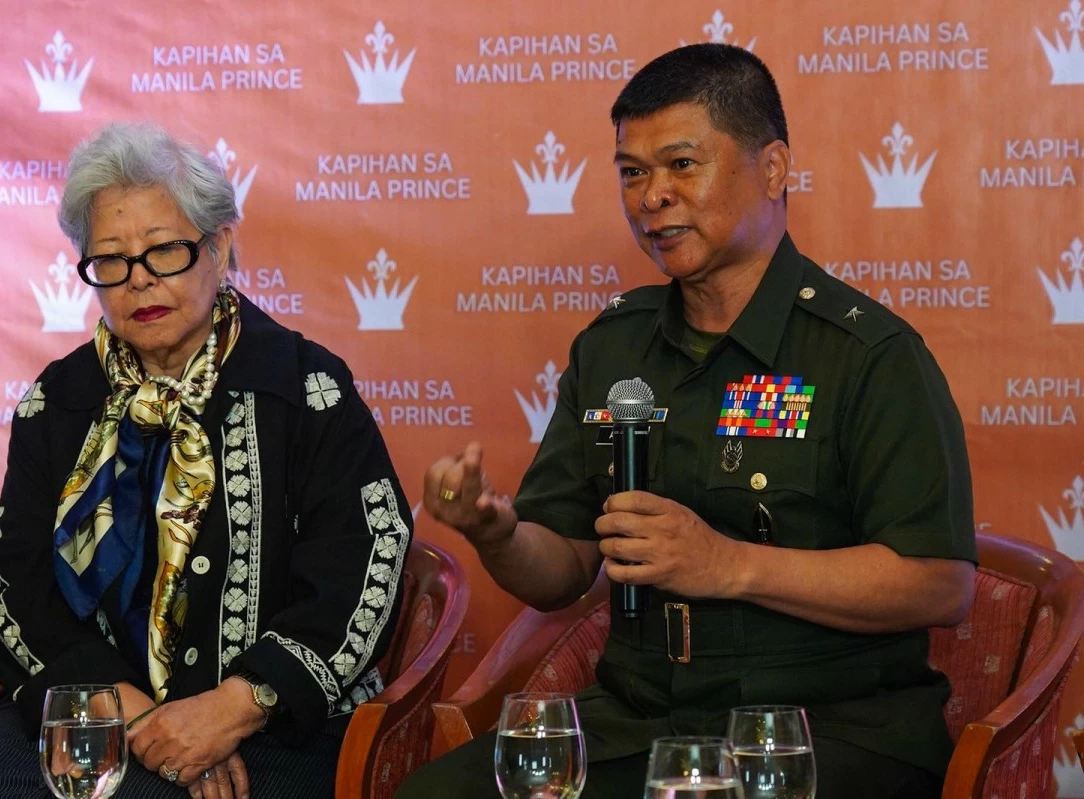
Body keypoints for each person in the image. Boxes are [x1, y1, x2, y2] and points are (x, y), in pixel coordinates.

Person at [398, 43, 976, 799]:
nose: (651, 197)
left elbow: (939, 583)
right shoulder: (613, 347)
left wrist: (726, 563)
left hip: (823, 729)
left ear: (772, 169)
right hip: (641, 722)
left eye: (680, 165)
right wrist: (496, 532)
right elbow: (562, 570)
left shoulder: (869, 354)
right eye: (632, 173)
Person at [0, 122, 413, 799]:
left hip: (268, 727)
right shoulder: (60, 401)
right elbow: (17, 588)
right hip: (90, 709)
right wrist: (142, 716)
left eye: (163, 251)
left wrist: (233, 707)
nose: (138, 282)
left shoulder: (305, 388)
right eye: (111, 260)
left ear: (218, 247)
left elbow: (367, 561)